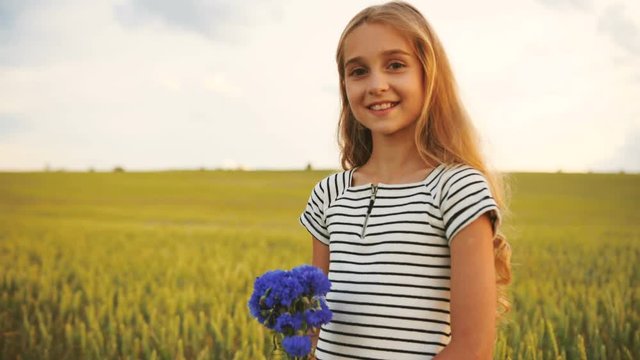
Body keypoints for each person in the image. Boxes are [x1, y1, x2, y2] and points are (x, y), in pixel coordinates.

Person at [298, 1, 512, 359]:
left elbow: (472, 349)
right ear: (345, 85)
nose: (377, 85)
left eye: (395, 65)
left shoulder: (457, 190)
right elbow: (316, 329)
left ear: (429, 75)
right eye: (358, 71)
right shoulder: (328, 195)